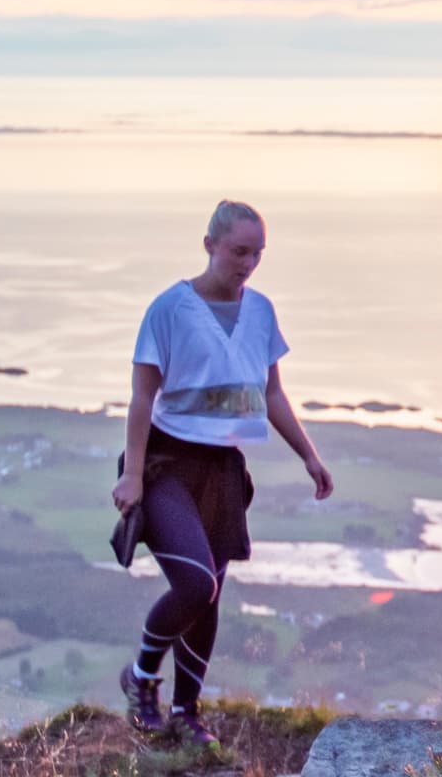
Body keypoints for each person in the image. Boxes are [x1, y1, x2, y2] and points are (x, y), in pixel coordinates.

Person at [110, 199, 331, 741]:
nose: (248, 263)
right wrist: (133, 475)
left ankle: (187, 713)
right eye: (238, 251)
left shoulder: (261, 312)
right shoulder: (169, 309)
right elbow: (142, 398)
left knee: (209, 598)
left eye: (257, 253)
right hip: (167, 464)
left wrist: (308, 454)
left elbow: (271, 391)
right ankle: (140, 678)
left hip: (226, 469)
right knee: (194, 582)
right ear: (209, 244)